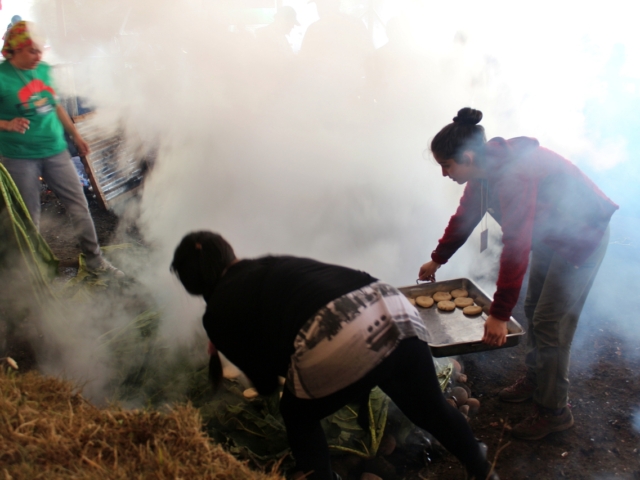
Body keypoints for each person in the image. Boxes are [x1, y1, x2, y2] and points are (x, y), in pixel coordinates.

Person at [171, 231, 499, 480]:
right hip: (393, 307)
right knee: (429, 409)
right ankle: (481, 466)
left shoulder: (217, 314)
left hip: (340, 335)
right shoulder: (267, 263)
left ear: (194, 284)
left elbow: (268, 385)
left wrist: (235, 344)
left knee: (297, 415)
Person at [419, 108, 618, 440]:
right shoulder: (482, 174)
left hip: (581, 238)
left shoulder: (513, 175)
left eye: (447, 165)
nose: (444, 174)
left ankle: (554, 413)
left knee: (550, 324)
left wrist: (498, 314)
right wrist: (437, 259)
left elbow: (515, 246)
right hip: (549, 237)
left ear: (468, 157)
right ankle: (536, 380)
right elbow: (464, 219)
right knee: (533, 310)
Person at [0, 21, 123, 277]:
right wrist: (8, 123)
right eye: (31, 50)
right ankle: (32, 272)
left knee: (79, 206)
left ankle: (95, 261)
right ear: (14, 50)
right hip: (20, 157)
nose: (38, 56)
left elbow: (55, 106)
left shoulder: (43, 70)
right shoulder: (2, 78)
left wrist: (76, 135)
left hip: (55, 151)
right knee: (28, 217)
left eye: (39, 49)